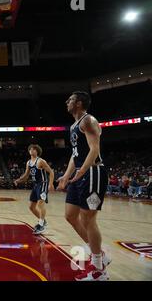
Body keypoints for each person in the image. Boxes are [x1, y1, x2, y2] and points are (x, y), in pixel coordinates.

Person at [57, 91, 111, 281]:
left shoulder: (89, 120)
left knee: (88, 219)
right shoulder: (74, 125)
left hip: (93, 173)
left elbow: (95, 149)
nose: (67, 102)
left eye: (70, 99)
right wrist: (66, 175)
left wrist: (82, 172)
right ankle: (100, 255)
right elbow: (75, 154)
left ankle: (99, 270)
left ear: (79, 103)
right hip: (80, 173)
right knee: (70, 216)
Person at [14, 144, 54, 235]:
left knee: (40, 204)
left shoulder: (40, 161)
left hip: (43, 183)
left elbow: (51, 172)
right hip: (36, 185)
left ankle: (41, 225)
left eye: (34, 149)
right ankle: (43, 221)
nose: (32, 150)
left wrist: (50, 184)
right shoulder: (28, 162)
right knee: (31, 207)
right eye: (30, 149)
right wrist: (19, 180)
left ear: (37, 151)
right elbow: (26, 175)